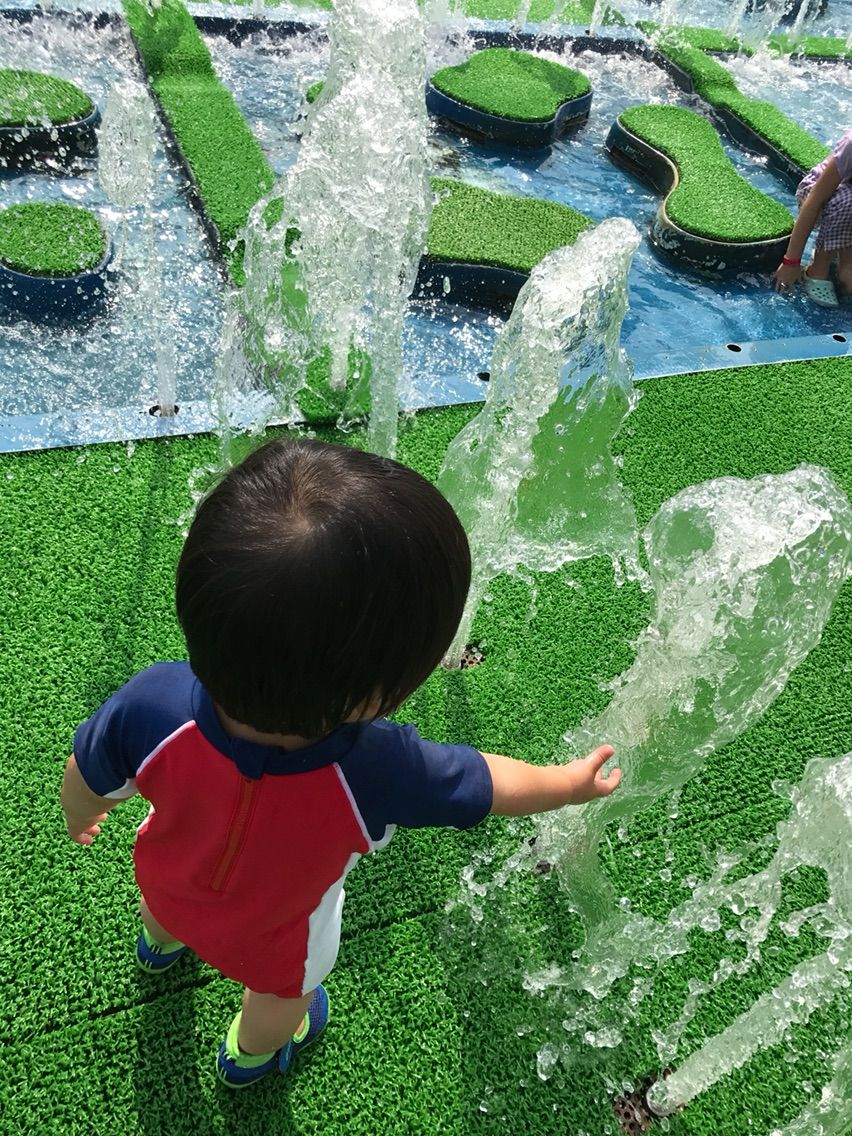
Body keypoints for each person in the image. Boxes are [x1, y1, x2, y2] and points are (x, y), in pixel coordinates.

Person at [60, 437, 620, 1089]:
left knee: (167, 909)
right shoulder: (376, 769)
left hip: (167, 887)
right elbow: (485, 782)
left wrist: (84, 814)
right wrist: (567, 784)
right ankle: (252, 1055)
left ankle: (160, 946)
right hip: (276, 942)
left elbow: (85, 771)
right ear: (377, 692)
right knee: (281, 998)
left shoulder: (152, 702)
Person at [772, 127, 852, 308]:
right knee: (847, 201)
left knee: (848, 282)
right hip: (826, 197)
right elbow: (814, 200)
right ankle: (818, 268)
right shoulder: (851, 144)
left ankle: (840, 257)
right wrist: (791, 262)